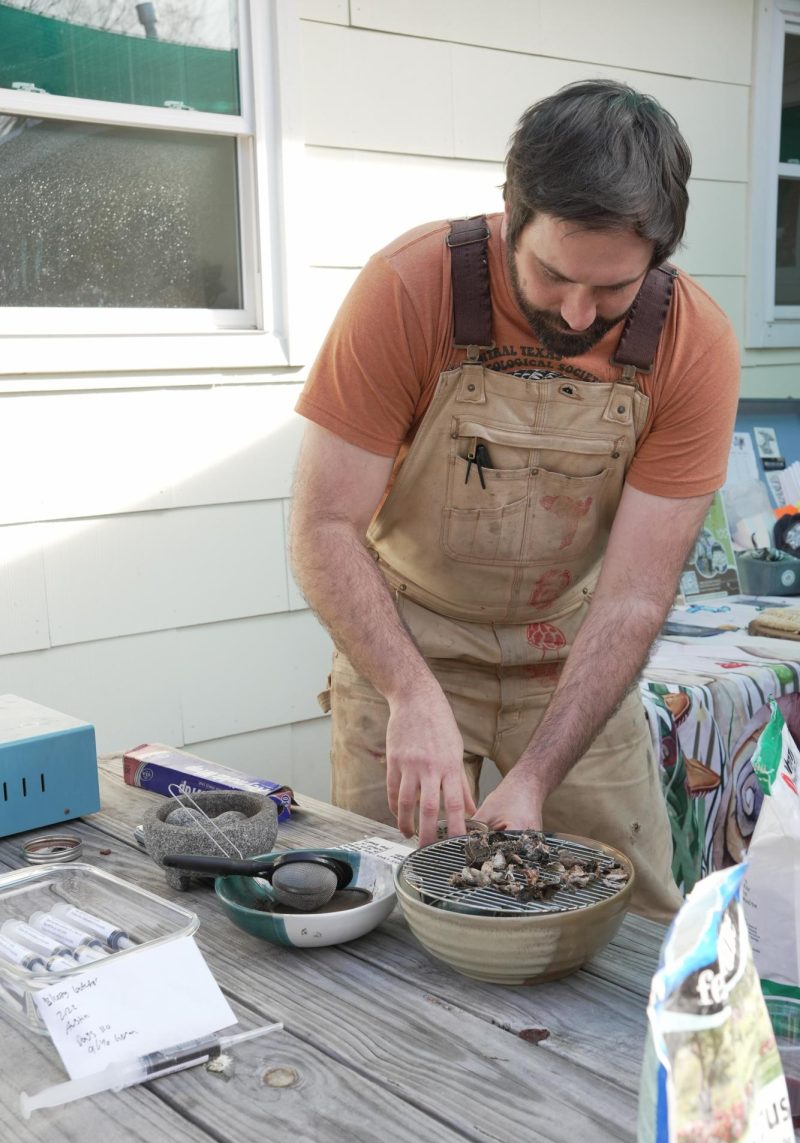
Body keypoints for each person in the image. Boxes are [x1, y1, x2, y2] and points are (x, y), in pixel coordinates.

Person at [290, 79, 740, 921]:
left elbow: (636, 592)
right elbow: (324, 525)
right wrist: (409, 693)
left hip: (572, 651)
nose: (576, 313)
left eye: (613, 292)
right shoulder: (409, 287)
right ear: (510, 212)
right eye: (554, 275)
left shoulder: (694, 346)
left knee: (631, 911)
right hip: (405, 639)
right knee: (392, 910)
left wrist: (536, 776)